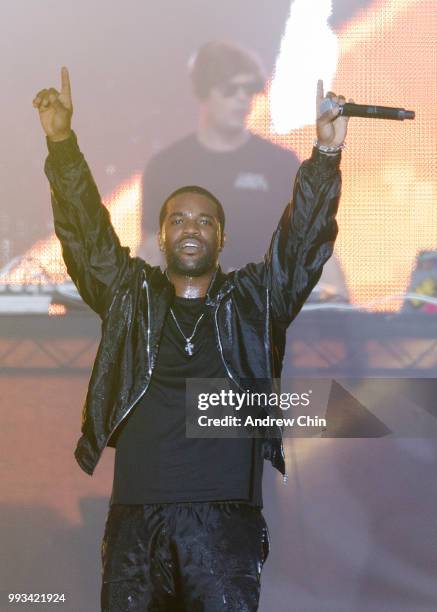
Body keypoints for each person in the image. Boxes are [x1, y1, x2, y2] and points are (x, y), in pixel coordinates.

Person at [33, 66, 351, 612]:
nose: (191, 228)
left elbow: (300, 245)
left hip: (224, 528)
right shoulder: (130, 296)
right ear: (161, 236)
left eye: (204, 221)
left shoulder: (253, 302)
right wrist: (62, 144)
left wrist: (324, 158)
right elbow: (86, 236)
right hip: (137, 522)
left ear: (221, 238)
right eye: (178, 219)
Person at [140, 41, 301, 272]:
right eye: (230, 89)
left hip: (267, 302)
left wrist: (341, 302)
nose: (242, 98)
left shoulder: (281, 164)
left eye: (249, 89)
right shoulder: (165, 167)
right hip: (190, 303)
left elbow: (310, 243)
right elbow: (152, 250)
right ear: (203, 91)